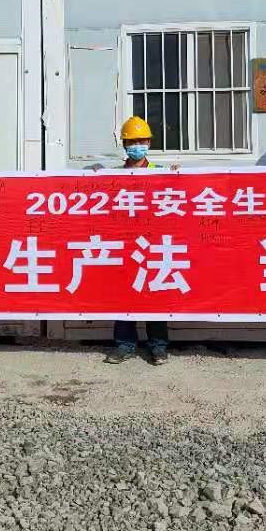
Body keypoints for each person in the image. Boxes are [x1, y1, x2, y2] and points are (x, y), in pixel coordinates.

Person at [94, 117, 172, 366]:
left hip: (152, 243)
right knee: (124, 295)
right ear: (125, 145)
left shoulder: (161, 172)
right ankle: (124, 346)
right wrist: (93, 178)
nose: (137, 145)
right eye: (132, 141)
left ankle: (158, 347)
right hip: (124, 244)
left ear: (149, 143)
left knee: (154, 295)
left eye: (141, 141)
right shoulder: (115, 175)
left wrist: (178, 176)